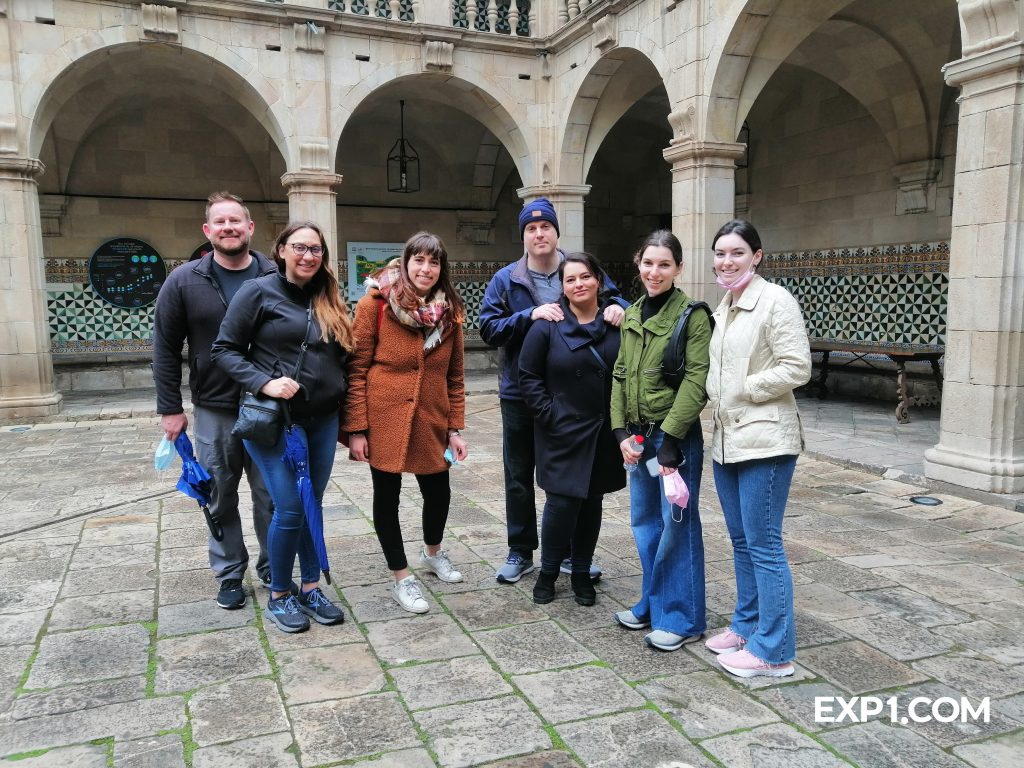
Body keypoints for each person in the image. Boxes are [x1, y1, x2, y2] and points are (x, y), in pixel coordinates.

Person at [211, 221, 353, 633]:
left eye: (317, 250)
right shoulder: (257, 291)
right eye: (301, 247)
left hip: (322, 421)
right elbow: (224, 349)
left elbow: (342, 357)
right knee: (289, 507)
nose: (309, 256)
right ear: (282, 250)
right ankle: (280, 593)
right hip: (276, 423)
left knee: (310, 505)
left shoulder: (329, 296)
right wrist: (264, 382)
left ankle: (310, 587)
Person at [479, 198, 626, 584]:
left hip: (576, 399)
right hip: (520, 392)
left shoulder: (578, 268)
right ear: (523, 235)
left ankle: (571, 556)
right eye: (530, 228)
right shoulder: (507, 279)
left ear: (557, 232)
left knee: (578, 477)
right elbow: (488, 328)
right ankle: (521, 550)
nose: (539, 233)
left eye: (545, 227)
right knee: (519, 473)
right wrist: (528, 315)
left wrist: (621, 308)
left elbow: (616, 300)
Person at [152, 191, 276, 610]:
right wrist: (170, 409)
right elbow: (165, 349)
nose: (228, 228)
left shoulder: (274, 274)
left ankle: (274, 566)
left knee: (271, 495)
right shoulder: (184, 280)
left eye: (236, 221)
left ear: (250, 227)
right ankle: (229, 573)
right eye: (220, 222)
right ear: (208, 231)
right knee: (219, 493)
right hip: (214, 409)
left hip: (270, 406)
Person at [703, 219, 811, 677]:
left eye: (737, 253)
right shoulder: (725, 305)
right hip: (729, 441)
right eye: (721, 254)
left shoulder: (775, 301)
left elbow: (796, 367)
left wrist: (744, 387)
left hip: (766, 440)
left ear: (757, 256)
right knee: (742, 541)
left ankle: (774, 650)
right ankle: (747, 624)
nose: (727, 262)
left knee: (765, 545)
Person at [343, 232, 469, 614]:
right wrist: (357, 429)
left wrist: (455, 427)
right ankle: (402, 577)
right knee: (387, 498)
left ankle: (432, 552)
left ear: (441, 268)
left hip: (431, 417)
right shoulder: (374, 305)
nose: (426, 269)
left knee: (439, 493)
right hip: (384, 419)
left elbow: (456, 376)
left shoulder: (450, 314)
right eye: (419, 260)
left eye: (434, 262)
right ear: (406, 262)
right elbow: (357, 370)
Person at [610, 229, 712, 652]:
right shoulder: (632, 313)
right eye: (648, 263)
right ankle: (653, 602)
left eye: (664, 264)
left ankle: (683, 618)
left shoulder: (693, 316)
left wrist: (671, 438)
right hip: (639, 439)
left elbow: (696, 379)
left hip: (674, 444)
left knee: (677, 527)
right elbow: (619, 375)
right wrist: (619, 432)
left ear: (679, 269)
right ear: (639, 265)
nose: (655, 272)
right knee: (644, 523)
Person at [518, 253, 625, 607]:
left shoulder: (616, 322)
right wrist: (548, 414)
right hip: (561, 430)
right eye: (570, 279)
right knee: (561, 503)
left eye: (585, 277)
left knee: (592, 502)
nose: (578, 284)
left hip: (600, 430)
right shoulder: (547, 324)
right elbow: (528, 375)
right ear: (562, 286)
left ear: (598, 280)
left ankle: (581, 571)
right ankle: (548, 571)